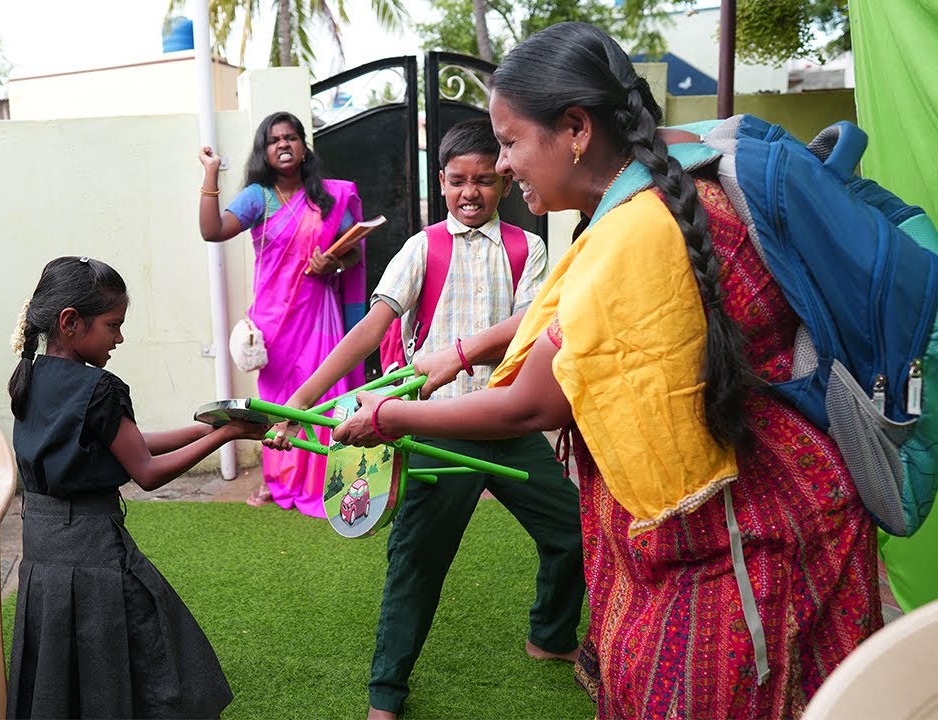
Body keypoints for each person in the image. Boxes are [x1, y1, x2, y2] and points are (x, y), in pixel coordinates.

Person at [332, 22, 881, 719]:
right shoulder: (655, 190)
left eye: (508, 142)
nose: (501, 167)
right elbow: (568, 333)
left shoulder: (636, 231)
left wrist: (386, 416)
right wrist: (463, 353)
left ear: (575, 129)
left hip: (742, 540)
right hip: (752, 516)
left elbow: (532, 404)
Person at [270, 118, 584, 719]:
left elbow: (528, 330)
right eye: (460, 181)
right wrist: (304, 400)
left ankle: (549, 635)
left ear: (505, 183)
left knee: (571, 531)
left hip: (507, 422)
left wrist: (469, 358)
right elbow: (370, 328)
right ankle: (386, 694)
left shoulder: (529, 247)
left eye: (486, 181)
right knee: (416, 563)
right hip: (437, 431)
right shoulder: (421, 247)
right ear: (441, 182)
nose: (472, 193)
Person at [5, 256, 269, 719]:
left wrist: (208, 427)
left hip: (43, 557)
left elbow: (128, 445)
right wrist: (225, 436)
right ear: (71, 322)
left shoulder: (30, 377)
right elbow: (144, 470)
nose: (119, 338)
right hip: (93, 555)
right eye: (113, 325)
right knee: (160, 664)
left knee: (62, 680)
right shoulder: (100, 388)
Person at [199, 111, 366, 516]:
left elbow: (354, 250)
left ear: (304, 146)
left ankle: (331, 479)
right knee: (277, 403)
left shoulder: (329, 197)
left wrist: (334, 264)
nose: (284, 145)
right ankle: (278, 481)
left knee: (325, 395)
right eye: (274, 140)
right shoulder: (258, 197)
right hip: (274, 324)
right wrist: (211, 174)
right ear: (265, 151)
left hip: (320, 316)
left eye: (291, 137)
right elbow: (213, 231)